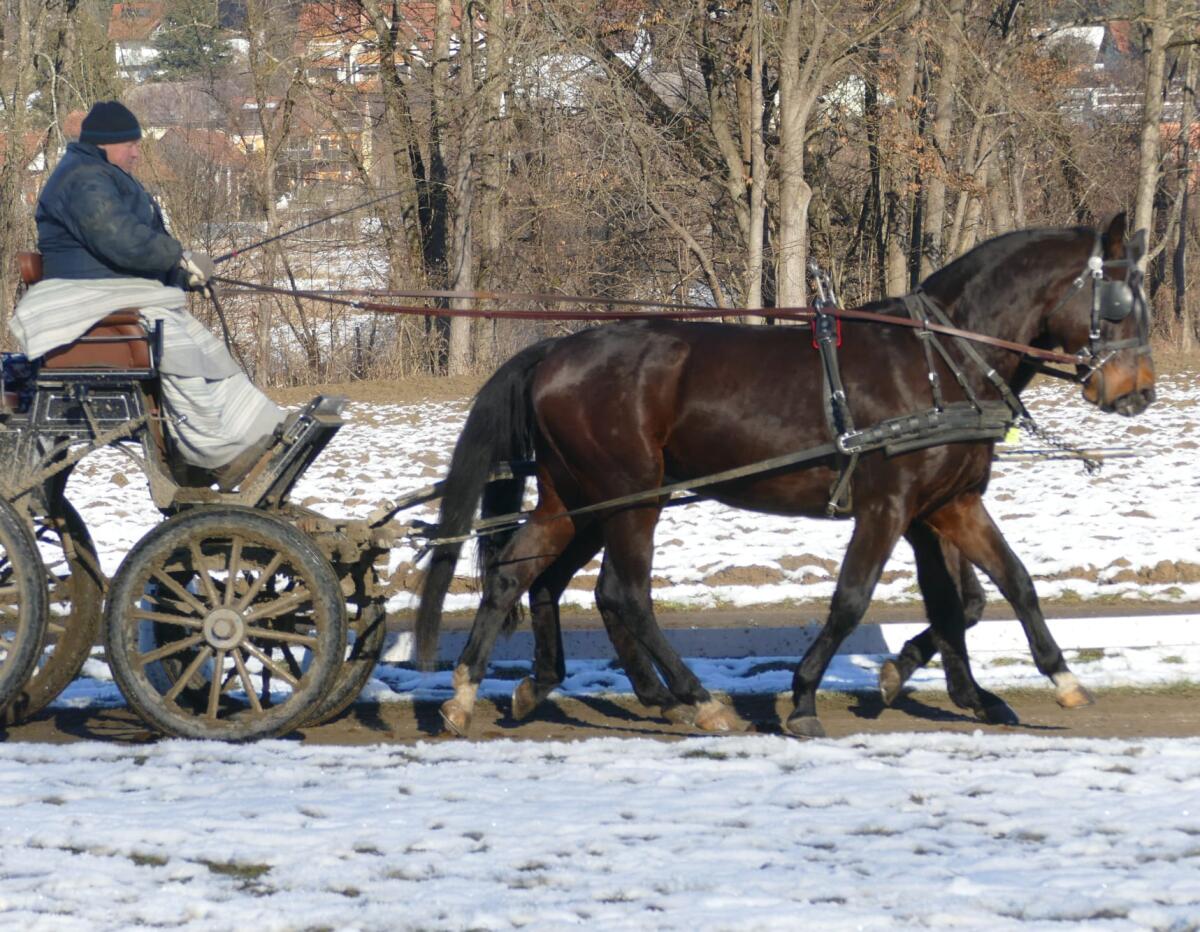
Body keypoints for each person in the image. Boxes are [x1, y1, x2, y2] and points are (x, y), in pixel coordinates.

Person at [11, 100, 285, 491]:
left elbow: (128, 249)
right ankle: (216, 449)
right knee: (181, 347)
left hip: (112, 292)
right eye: (130, 145)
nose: (137, 153)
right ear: (105, 143)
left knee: (199, 344)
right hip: (90, 297)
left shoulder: (99, 172)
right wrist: (179, 256)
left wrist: (179, 274)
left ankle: (245, 435)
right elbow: (121, 241)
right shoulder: (85, 179)